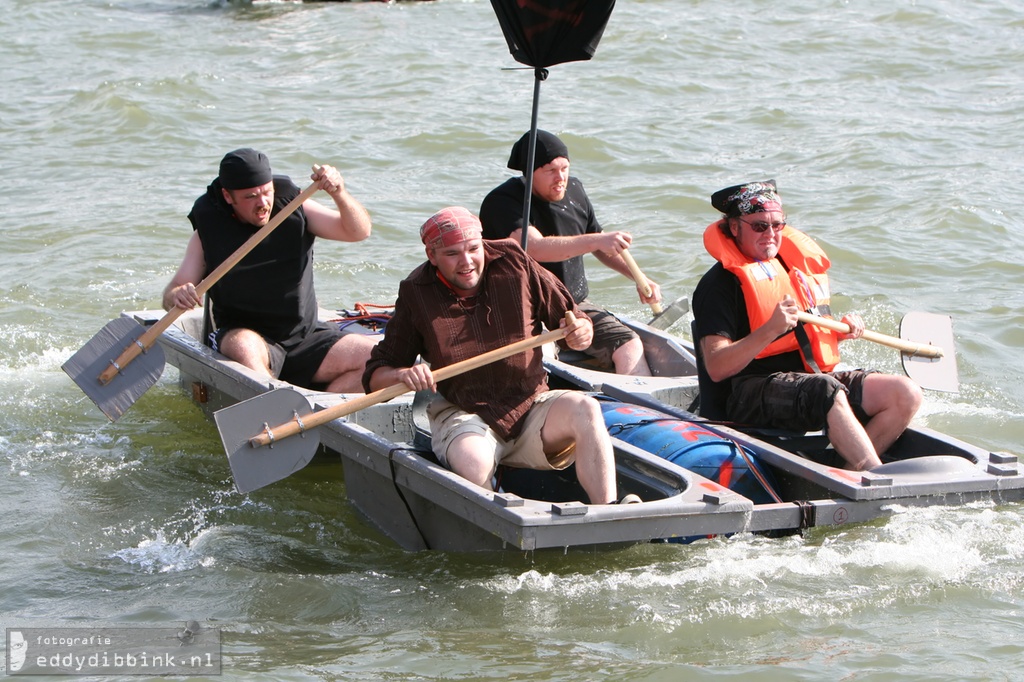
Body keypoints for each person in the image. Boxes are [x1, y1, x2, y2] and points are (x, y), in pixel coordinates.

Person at [363, 206, 637, 505]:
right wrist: (403, 375)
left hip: (531, 404)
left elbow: (573, 318)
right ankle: (499, 520)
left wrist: (581, 331)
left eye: (473, 249)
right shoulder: (416, 292)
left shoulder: (515, 261)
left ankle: (607, 510)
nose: (467, 262)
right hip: (464, 412)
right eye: (453, 254)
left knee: (586, 408)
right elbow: (378, 373)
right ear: (432, 256)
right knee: (473, 462)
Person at [690, 179, 923, 471]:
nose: (771, 234)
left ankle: (850, 474)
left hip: (804, 381)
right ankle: (876, 476)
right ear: (734, 227)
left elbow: (804, 336)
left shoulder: (790, 267)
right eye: (760, 226)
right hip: (745, 393)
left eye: (778, 225)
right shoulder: (718, 285)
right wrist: (770, 329)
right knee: (825, 389)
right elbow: (716, 365)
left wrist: (839, 333)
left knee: (904, 393)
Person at [163, 148, 377, 393]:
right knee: (244, 346)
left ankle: (316, 413)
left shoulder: (293, 204)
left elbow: (359, 232)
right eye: (251, 196)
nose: (263, 203)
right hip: (247, 336)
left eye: (267, 192)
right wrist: (179, 294)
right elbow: (172, 292)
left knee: (377, 358)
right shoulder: (208, 231)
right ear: (227, 196)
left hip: (303, 336)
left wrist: (339, 193)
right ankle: (276, 400)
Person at [479, 130, 661, 376]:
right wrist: (596, 239)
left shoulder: (575, 191)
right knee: (542, 357)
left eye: (564, 168)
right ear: (529, 174)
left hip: (573, 304)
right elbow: (535, 248)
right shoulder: (503, 202)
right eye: (550, 171)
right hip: (523, 308)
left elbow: (602, 246)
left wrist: (640, 278)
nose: (561, 177)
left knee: (629, 344)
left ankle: (640, 407)